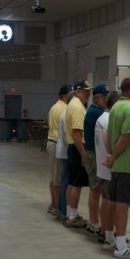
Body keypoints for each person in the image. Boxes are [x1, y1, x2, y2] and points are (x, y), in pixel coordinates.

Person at [104, 77, 130, 259]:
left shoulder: (115, 108)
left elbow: (108, 135)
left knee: (114, 203)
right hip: (128, 165)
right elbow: (125, 138)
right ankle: (121, 246)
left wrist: (111, 155)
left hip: (118, 166)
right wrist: (115, 157)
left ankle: (110, 239)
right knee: (122, 207)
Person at [94, 91, 120, 243]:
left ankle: (104, 230)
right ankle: (108, 233)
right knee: (111, 203)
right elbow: (107, 139)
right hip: (108, 165)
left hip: (101, 164)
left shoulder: (101, 118)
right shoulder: (110, 119)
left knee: (105, 201)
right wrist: (113, 156)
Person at [64, 80, 91, 228]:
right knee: (77, 184)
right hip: (77, 147)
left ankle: (70, 213)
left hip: (73, 147)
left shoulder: (73, 105)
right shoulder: (77, 107)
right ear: (79, 92)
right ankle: (73, 217)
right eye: (86, 92)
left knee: (72, 182)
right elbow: (76, 133)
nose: (88, 95)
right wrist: (83, 153)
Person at [84, 85, 109, 236]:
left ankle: (94, 221)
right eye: (105, 98)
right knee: (95, 190)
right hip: (93, 154)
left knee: (95, 190)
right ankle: (94, 222)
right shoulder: (96, 113)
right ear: (97, 98)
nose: (106, 101)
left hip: (94, 153)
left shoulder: (95, 111)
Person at [46, 85, 69, 215]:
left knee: (54, 177)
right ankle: (56, 206)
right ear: (66, 96)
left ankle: (53, 203)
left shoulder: (55, 107)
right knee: (57, 179)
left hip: (52, 143)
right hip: (56, 144)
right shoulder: (63, 109)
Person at [56, 89, 75, 221]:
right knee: (66, 182)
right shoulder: (67, 114)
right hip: (67, 152)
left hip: (63, 150)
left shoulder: (64, 113)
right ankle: (64, 209)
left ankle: (62, 208)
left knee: (64, 181)